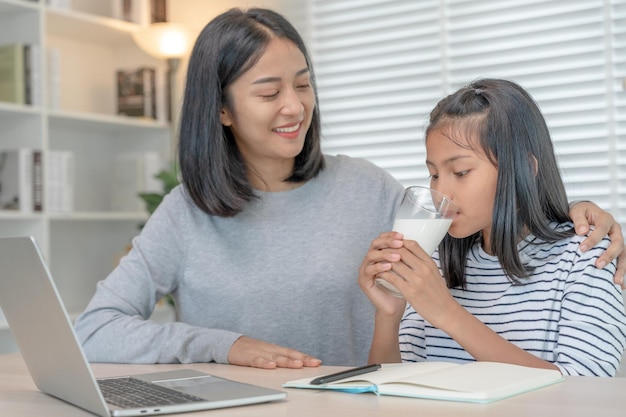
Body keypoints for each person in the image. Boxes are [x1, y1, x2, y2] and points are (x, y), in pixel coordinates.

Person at [75, 9, 624, 370]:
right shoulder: (185, 213)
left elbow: (473, 213)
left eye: (303, 84)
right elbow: (94, 330)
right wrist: (223, 347)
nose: (294, 106)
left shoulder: (368, 188)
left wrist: (566, 209)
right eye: (269, 92)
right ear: (220, 109)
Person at [358, 78, 626, 376]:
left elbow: (587, 394)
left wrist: (448, 314)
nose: (441, 191)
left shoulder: (585, 257)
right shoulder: (438, 264)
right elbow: (385, 393)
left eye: (460, 172)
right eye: (433, 174)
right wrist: (389, 314)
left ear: (524, 169)